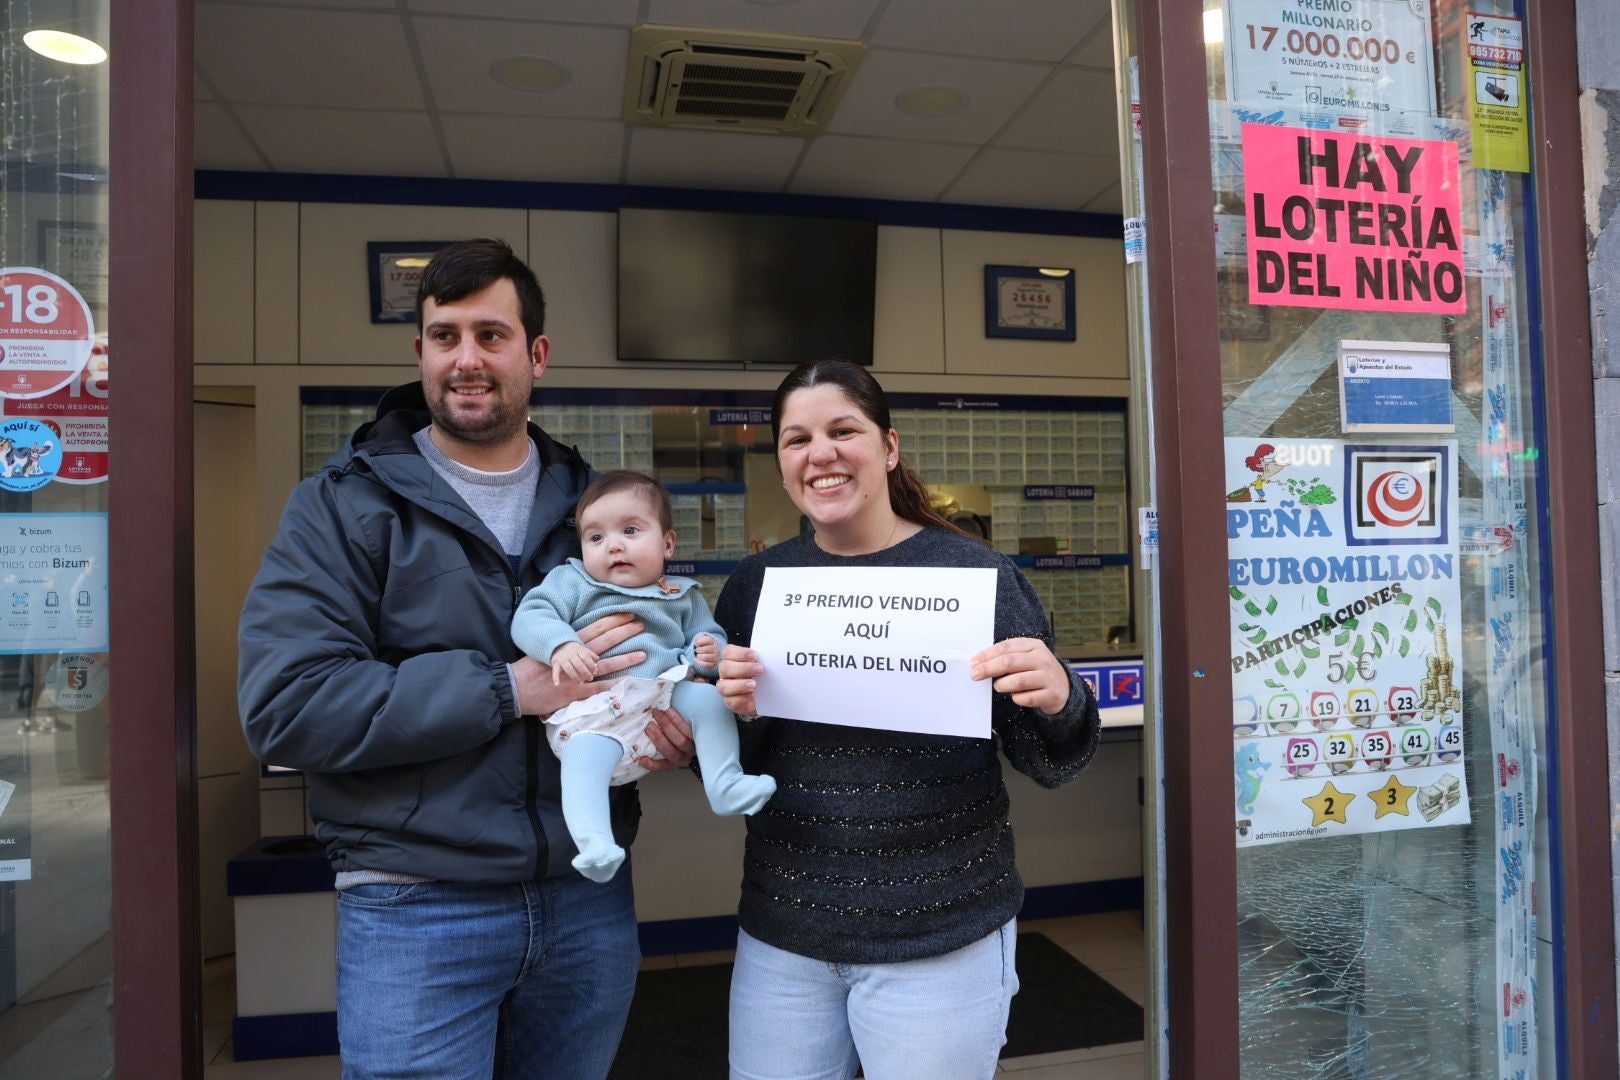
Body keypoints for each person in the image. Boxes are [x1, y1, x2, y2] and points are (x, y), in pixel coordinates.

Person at [236, 238, 695, 1080]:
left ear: (537, 354)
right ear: (420, 354)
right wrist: (506, 689)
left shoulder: (594, 510)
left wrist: (664, 726)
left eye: (491, 335)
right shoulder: (341, 506)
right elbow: (287, 704)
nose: (467, 359)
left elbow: (656, 654)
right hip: (414, 904)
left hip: (585, 898)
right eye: (445, 336)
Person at [715, 359, 1101, 1080]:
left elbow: (1050, 760)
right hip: (786, 930)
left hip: (942, 932)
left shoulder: (975, 577)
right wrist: (726, 709)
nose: (819, 454)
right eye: (796, 439)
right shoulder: (756, 585)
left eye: (842, 431)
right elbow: (737, 756)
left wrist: (1061, 697)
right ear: (781, 461)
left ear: (889, 447)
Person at [511, 469, 776, 883]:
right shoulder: (573, 581)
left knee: (709, 701)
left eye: (630, 530)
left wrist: (710, 653)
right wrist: (561, 645)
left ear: (668, 542)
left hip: (664, 696)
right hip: (597, 715)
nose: (613, 545)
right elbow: (530, 617)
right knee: (583, 760)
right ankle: (594, 842)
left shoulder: (682, 594)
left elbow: (708, 643)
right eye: (595, 538)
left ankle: (725, 784)